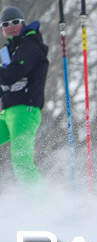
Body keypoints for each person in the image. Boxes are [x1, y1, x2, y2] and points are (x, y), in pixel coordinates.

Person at [0, 6, 48, 191]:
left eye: (15, 22)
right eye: (5, 24)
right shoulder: (8, 51)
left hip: (25, 112)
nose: (11, 27)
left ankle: (49, 209)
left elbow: (11, 74)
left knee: (22, 163)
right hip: (8, 113)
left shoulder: (30, 45)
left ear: (22, 23)